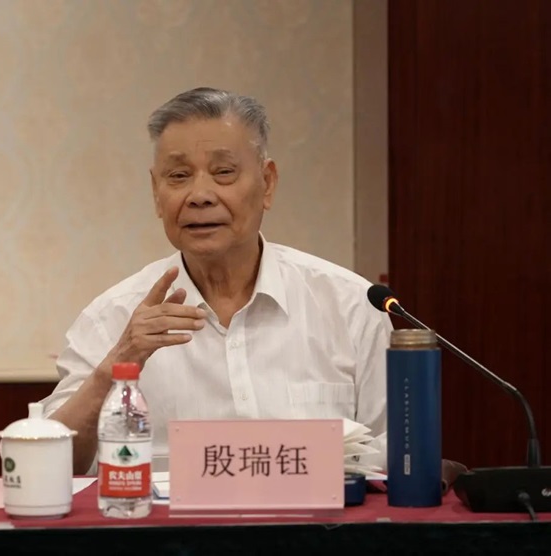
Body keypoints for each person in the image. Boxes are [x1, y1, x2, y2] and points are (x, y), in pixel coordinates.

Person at [40, 87, 393, 476]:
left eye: (224, 172)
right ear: (156, 193)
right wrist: (115, 368)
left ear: (267, 183)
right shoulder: (111, 319)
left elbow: (392, 455)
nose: (200, 195)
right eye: (179, 176)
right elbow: (49, 466)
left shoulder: (350, 305)